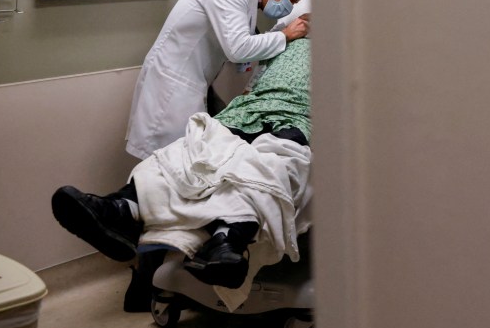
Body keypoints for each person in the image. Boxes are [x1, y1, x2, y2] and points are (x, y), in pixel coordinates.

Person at [52, 36, 312, 302]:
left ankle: (227, 239)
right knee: (184, 153)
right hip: (244, 112)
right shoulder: (285, 42)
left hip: (297, 121)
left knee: (267, 166)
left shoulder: (338, 52)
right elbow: (252, 83)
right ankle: (121, 209)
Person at [125, 0, 308, 160]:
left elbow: (243, 44)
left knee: (179, 162)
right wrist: (285, 35)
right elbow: (238, 49)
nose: (291, 7)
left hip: (190, 81)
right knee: (169, 163)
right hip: (173, 85)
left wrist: (280, 35)